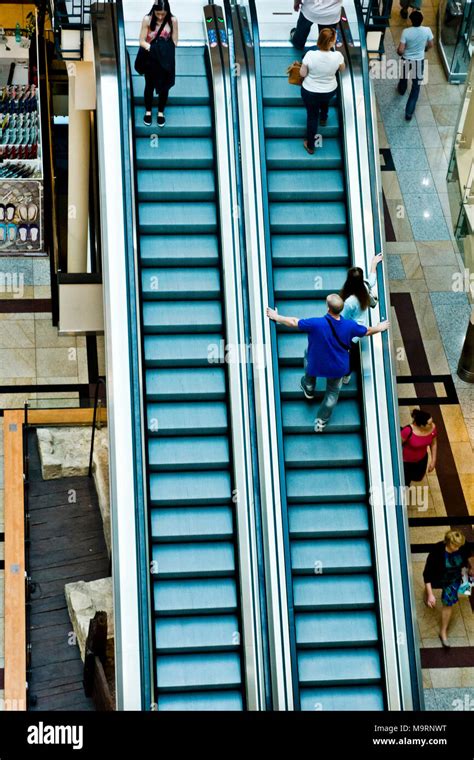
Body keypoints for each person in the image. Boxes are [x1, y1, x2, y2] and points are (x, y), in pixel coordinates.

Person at [266, 294, 389, 432]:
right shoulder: (350, 326)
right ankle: (321, 421)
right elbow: (367, 331)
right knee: (332, 394)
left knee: (308, 355)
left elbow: (294, 322)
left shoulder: (316, 323)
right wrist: (380, 327)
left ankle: (309, 388)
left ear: (328, 307)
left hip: (316, 363)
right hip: (338, 368)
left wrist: (276, 317)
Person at [423, 530, 474, 647]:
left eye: (459, 546)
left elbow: (468, 556)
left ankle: (443, 631)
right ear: (448, 542)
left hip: (453, 580)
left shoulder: (462, 546)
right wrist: (431, 594)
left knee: (448, 603)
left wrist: (471, 567)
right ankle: (427, 594)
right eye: (455, 546)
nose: (457, 548)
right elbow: (427, 574)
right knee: (429, 591)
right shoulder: (437, 551)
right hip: (438, 577)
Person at [299, 28, 345, 155]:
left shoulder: (310, 55)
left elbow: (302, 73)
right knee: (324, 102)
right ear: (331, 43)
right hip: (329, 90)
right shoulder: (338, 56)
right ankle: (324, 118)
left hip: (310, 91)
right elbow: (342, 69)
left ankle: (310, 146)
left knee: (312, 116)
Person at [340, 253, 383, 384]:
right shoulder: (364, 287)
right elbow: (372, 280)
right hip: (358, 330)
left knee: (347, 354)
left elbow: (342, 318)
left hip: (351, 333)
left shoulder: (350, 302)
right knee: (351, 354)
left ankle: (345, 373)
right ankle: (346, 374)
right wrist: (374, 264)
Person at [139, 1, 179, 127]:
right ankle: (148, 111)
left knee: (165, 86)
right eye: (158, 14)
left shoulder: (173, 20)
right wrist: (153, 49)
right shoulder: (147, 19)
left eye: (163, 14)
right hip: (151, 58)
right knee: (149, 85)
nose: (160, 17)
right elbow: (141, 40)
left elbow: (175, 41)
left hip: (166, 58)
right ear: (154, 10)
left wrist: (164, 50)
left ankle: (161, 112)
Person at [397, 10, 433, 121]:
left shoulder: (406, 32)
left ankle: (401, 90)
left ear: (410, 20)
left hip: (406, 59)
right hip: (419, 61)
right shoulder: (427, 30)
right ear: (422, 19)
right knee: (415, 88)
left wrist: (399, 51)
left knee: (404, 77)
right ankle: (408, 113)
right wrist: (424, 49)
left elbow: (401, 50)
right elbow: (431, 45)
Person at [401, 408, 437, 486]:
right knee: (405, 481)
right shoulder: (408, 431)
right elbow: (398, 445)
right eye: (429, 424)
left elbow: (434, 443)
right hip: (406, 462)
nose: (432, 425)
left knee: (417, 477)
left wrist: (433, 460)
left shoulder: (432, 428)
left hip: (421, 460)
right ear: (421, 425)